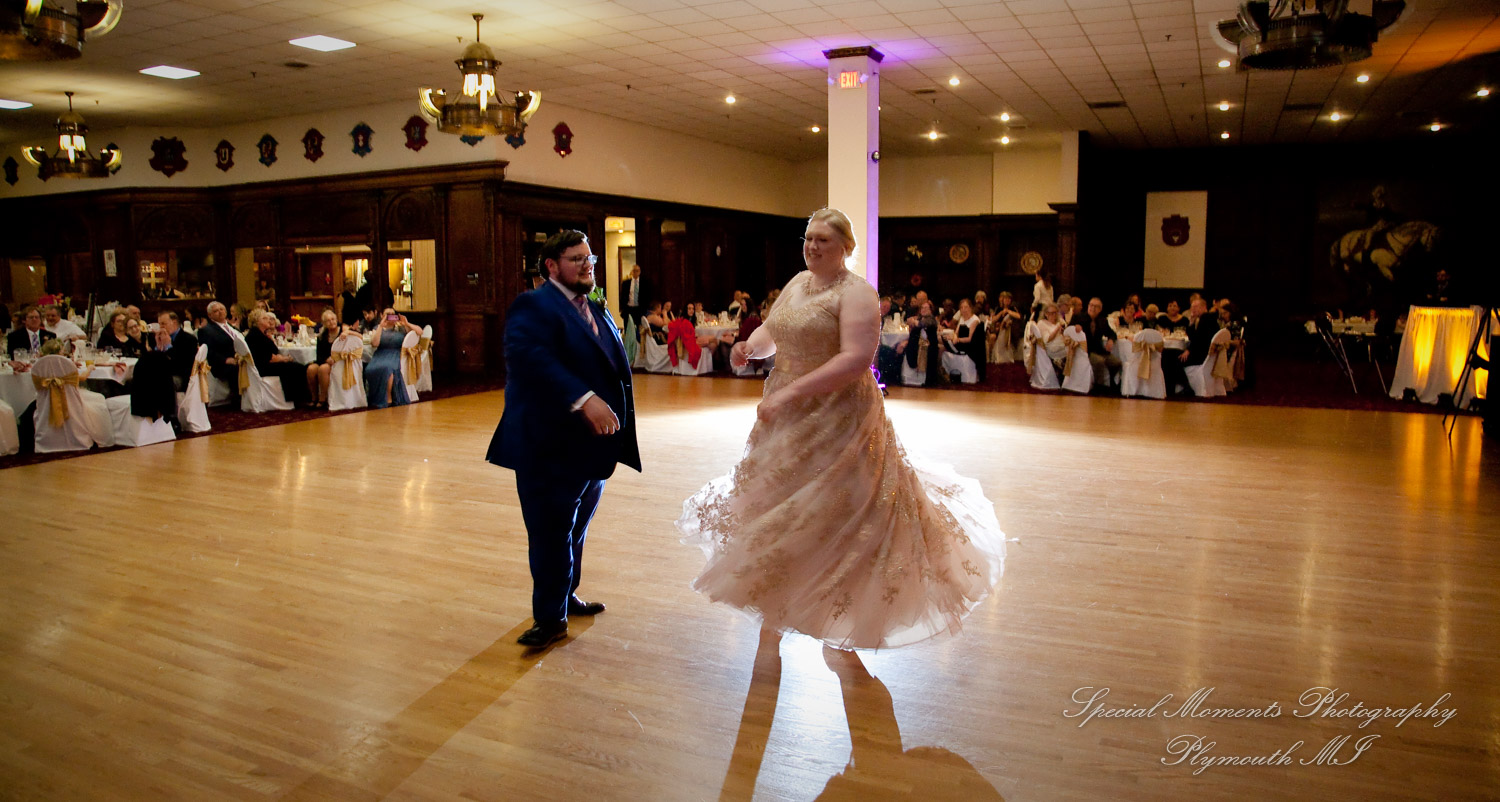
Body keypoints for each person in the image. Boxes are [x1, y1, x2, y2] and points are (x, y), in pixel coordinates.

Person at [677, 207, 1004, 650]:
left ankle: (840, 589)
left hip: (837, 410)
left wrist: (790, 395)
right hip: (786, 407)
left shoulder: (857, 294)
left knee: (843, 497)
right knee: (782, 490)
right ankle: (782, 579)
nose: (812, 247)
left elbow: (854, 361)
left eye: (822, 240)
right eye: (808, 238)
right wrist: (748, 350)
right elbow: (774, 331)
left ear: (845, 247)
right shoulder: (796, 283)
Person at [486, 229, 640, 649]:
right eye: (577, 259)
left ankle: (565, 596)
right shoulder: (532, 306)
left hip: (591, 449)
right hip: (546, 446)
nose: (588, 264)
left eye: (589, 258)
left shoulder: (594, 307)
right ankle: (550, 618)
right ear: (552, 266)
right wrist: (585, 399)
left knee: (575, 529)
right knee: (550, 532)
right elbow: (532, 360)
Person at [245, 309, 311, 406]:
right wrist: (284, 359)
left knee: (295, 366)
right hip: (262, 367)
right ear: (256, 322)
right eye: (264, 318)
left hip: (266, 363)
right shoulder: (255, 335)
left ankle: (300, 398)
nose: (268, 320)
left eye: (268, 318)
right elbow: (267, 357)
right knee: (297, 368)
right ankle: (299, 399)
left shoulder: (262, 334)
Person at [363, 307, 420, 409]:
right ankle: (374, 398)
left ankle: (388, 398)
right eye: (387, 314)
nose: (390, 316)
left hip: (395, 353)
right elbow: (374, 343)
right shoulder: (378, 327)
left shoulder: (400, 328)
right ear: (382, 316)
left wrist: (406, 323)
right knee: (369, 369)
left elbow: (420, 332)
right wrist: (381, 326)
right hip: (380, 354)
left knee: (387, 369)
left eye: (392, 314)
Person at [305, 308, 348, 409]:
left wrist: (333, 358)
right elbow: (319, 355)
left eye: (333, 319)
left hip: (339, 361)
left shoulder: (343, 332)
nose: (331, 322)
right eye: (328, 320)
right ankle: (314, 398)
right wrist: (326, 359)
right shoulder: (322, 336)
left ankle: (322, 399)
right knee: (311, 369)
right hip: (325, 360)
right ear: (324, 323)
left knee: (323, 369)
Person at [1075, 297, 1120, 391]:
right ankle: (1098, 385)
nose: (1092, 308)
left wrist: (1111, 340)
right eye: (1091, 305)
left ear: (1100, 309)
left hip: (1098, 349)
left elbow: (1112, 333)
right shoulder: (1079, 317)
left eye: (1096, 306)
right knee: (1099, 361)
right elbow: (1069, 330)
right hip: (1085, 350)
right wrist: (1076, 328)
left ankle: (1112, 382)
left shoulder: (1102, 320)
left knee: (1116, 363)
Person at [198, 301, 243, 392]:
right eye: (216, 311)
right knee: (236, 370)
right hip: (221, 363)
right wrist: (225, 360)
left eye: (221, 309)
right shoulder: (206, 330)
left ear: (226, 312)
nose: (220, 312)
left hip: (240, 358)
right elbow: (209, 351)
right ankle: (238, 400)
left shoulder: (232, 327)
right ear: (210, 315)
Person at [152, 310, 198, 391]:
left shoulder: (189, 339)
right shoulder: (158, 338)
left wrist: (168, 347)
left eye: (163, 324)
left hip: (181, 376)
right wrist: (157, 348)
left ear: (174, 322)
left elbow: (182, 365)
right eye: (159, 324)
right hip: (161, 374)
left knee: (159, 383)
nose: (161, 327)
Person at [951, 298, 986, 381]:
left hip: (970, 347)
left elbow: (970, 339)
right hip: (961, 343)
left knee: (943, 348)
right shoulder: (962, 319)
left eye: (966, 307)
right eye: (961, 308)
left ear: (970, 308)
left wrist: (958, 340)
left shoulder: (975, 320)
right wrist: (954, 337)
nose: (964, 310)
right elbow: (956, 333)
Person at [987, 291, 1023, 364]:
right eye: (1006, 299)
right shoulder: (999, 309)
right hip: (999, 330)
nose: (1007, 301)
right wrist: (1001, 313)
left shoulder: (1013, 308)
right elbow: (993, 320)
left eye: (1009, 299)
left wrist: (1008, 311)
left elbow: (1019, 316)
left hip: (1011, 330)